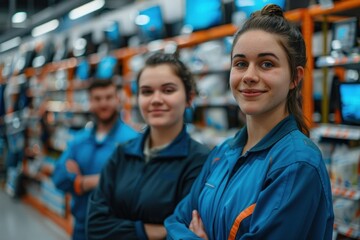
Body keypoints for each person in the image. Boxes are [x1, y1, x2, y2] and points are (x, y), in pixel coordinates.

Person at [165, 4, 334, 240]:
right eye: (241, 63)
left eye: (267, 64)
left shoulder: (297, 164)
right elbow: (175, 221)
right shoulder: (222, 154)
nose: (249, 76)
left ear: (295, 78)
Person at [86, 52, 210, 239]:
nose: (156, 99)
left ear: (189, 98)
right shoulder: (122, 153)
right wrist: (154, 231)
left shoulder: (200, 162)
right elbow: (94, 227)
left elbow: (183, 233)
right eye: (146, 91)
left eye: (168, 90)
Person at [52, 79, 139, 240]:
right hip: (81, 228)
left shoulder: (132, 141)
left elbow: (135, 187)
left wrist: (82, 182)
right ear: (90, 102)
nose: (103, 103)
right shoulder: (79, 140)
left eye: (108, 97)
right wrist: (108, 179)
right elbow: (58, 177)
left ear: (117, 99)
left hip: (118, 231)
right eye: (98, 99)